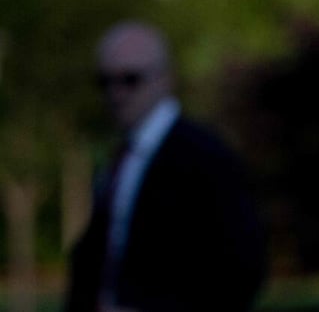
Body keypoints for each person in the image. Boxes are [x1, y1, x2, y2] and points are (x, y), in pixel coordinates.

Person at [64, 20, 268, 312]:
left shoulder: (206, 157)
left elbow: (241, 268)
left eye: (130, 79)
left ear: (166, 78)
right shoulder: (119, 157)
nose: (116, 93)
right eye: (105, 81)